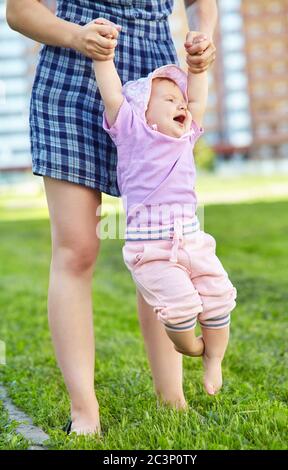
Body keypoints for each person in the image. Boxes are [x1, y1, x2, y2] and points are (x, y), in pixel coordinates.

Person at [6, 0, 218, 436]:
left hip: (156, 80)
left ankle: (172, 399)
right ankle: (85, 411)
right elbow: (19, 10)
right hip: (71, 74)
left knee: (160, 242)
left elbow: (202, 4)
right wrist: (75, 35)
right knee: (77, 250)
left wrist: (204, 34)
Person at [94, 29, 237, 409]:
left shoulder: (184, 136)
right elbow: (113, 94)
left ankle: (214, 359)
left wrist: (196, 69)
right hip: (152, 250)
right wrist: (102, 58)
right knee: (180, 311)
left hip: (193, 241)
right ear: (142, 109)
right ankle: (192, 347)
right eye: (170, 98)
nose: (182, 104)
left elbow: (199, 99)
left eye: (181, 99)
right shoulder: (130, 130)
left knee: (219, 298)